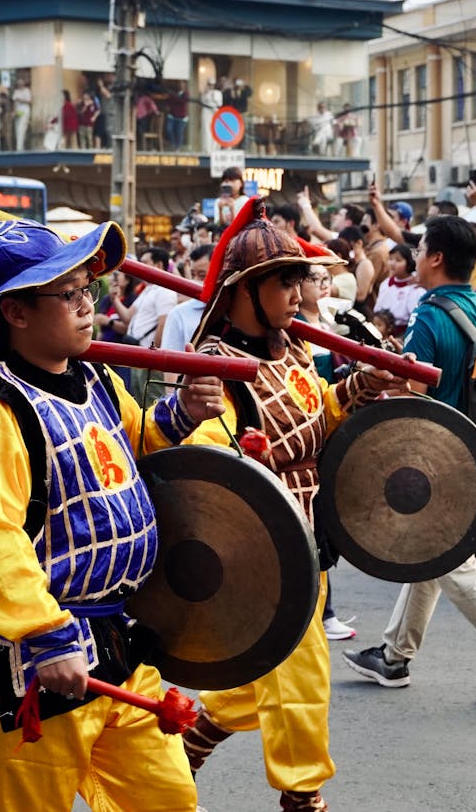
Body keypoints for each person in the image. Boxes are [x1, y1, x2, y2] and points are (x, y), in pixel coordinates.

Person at [0, 210, 225, 811]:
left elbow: (130, 446)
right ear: (15, 311)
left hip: (119, 645)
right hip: (38, 664)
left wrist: (185, 414)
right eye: (68, 294)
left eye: (87, 288)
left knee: (169, 801)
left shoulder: (95, 380)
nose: (88, 304)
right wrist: (45, 633)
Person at [180, 201, 402, 811]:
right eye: (283, 279)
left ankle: (193, 741)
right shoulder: (215, 367)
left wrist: (359, 387)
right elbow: (214, 457)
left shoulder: (295, 348)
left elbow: (316, 415)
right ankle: (302, 797)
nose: (298, 289)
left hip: (310, 537)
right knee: (302, 675)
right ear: (244, 291)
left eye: (297, 277)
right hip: (261, 549)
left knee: (268, 667)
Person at [343, 215, 476, 707]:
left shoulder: (430, 313)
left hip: (438, 457)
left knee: (454, 564)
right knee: (432, 555)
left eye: (420, 249)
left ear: (437, 258)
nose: (415, 257)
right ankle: (395, 656)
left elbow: (413, 393)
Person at [159, 243, 214, 353]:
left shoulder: (238, 311)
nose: (195, 280)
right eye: (193, 274)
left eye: (202, 275)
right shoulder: (179, 313)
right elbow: (169, 364)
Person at [372, 242, 420, 335]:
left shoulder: (415, 288)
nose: (392, 263)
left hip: (402, 333)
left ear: (409, 263)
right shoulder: (386, 284)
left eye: (398, 260)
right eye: (390, 259)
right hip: (381, 329)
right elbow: (378, 309)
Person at [199, 79, 222, 154]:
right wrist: (206, 93)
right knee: (206, 130)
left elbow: (219, 104)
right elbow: (202, 101)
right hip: (206, 111)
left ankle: (214, 149)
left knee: (215, 130)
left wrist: (213, 96)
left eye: (212, 85)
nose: (211, 86)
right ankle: (206, 149)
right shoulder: (205, 93)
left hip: (215, 111)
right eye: (210, 85)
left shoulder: (218, 93)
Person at [12, 78, 32, 150]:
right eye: (18, 83)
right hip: (18, 112)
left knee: (21, 129)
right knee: (17, 130)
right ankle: (20, 147)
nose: (20, 84)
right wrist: (14, 111)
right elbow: (14, 102)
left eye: (21, 83)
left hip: (25, 111)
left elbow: (29, 101)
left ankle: (19, 148)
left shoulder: (27, 91)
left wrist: (21, 100)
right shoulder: (16, 91)